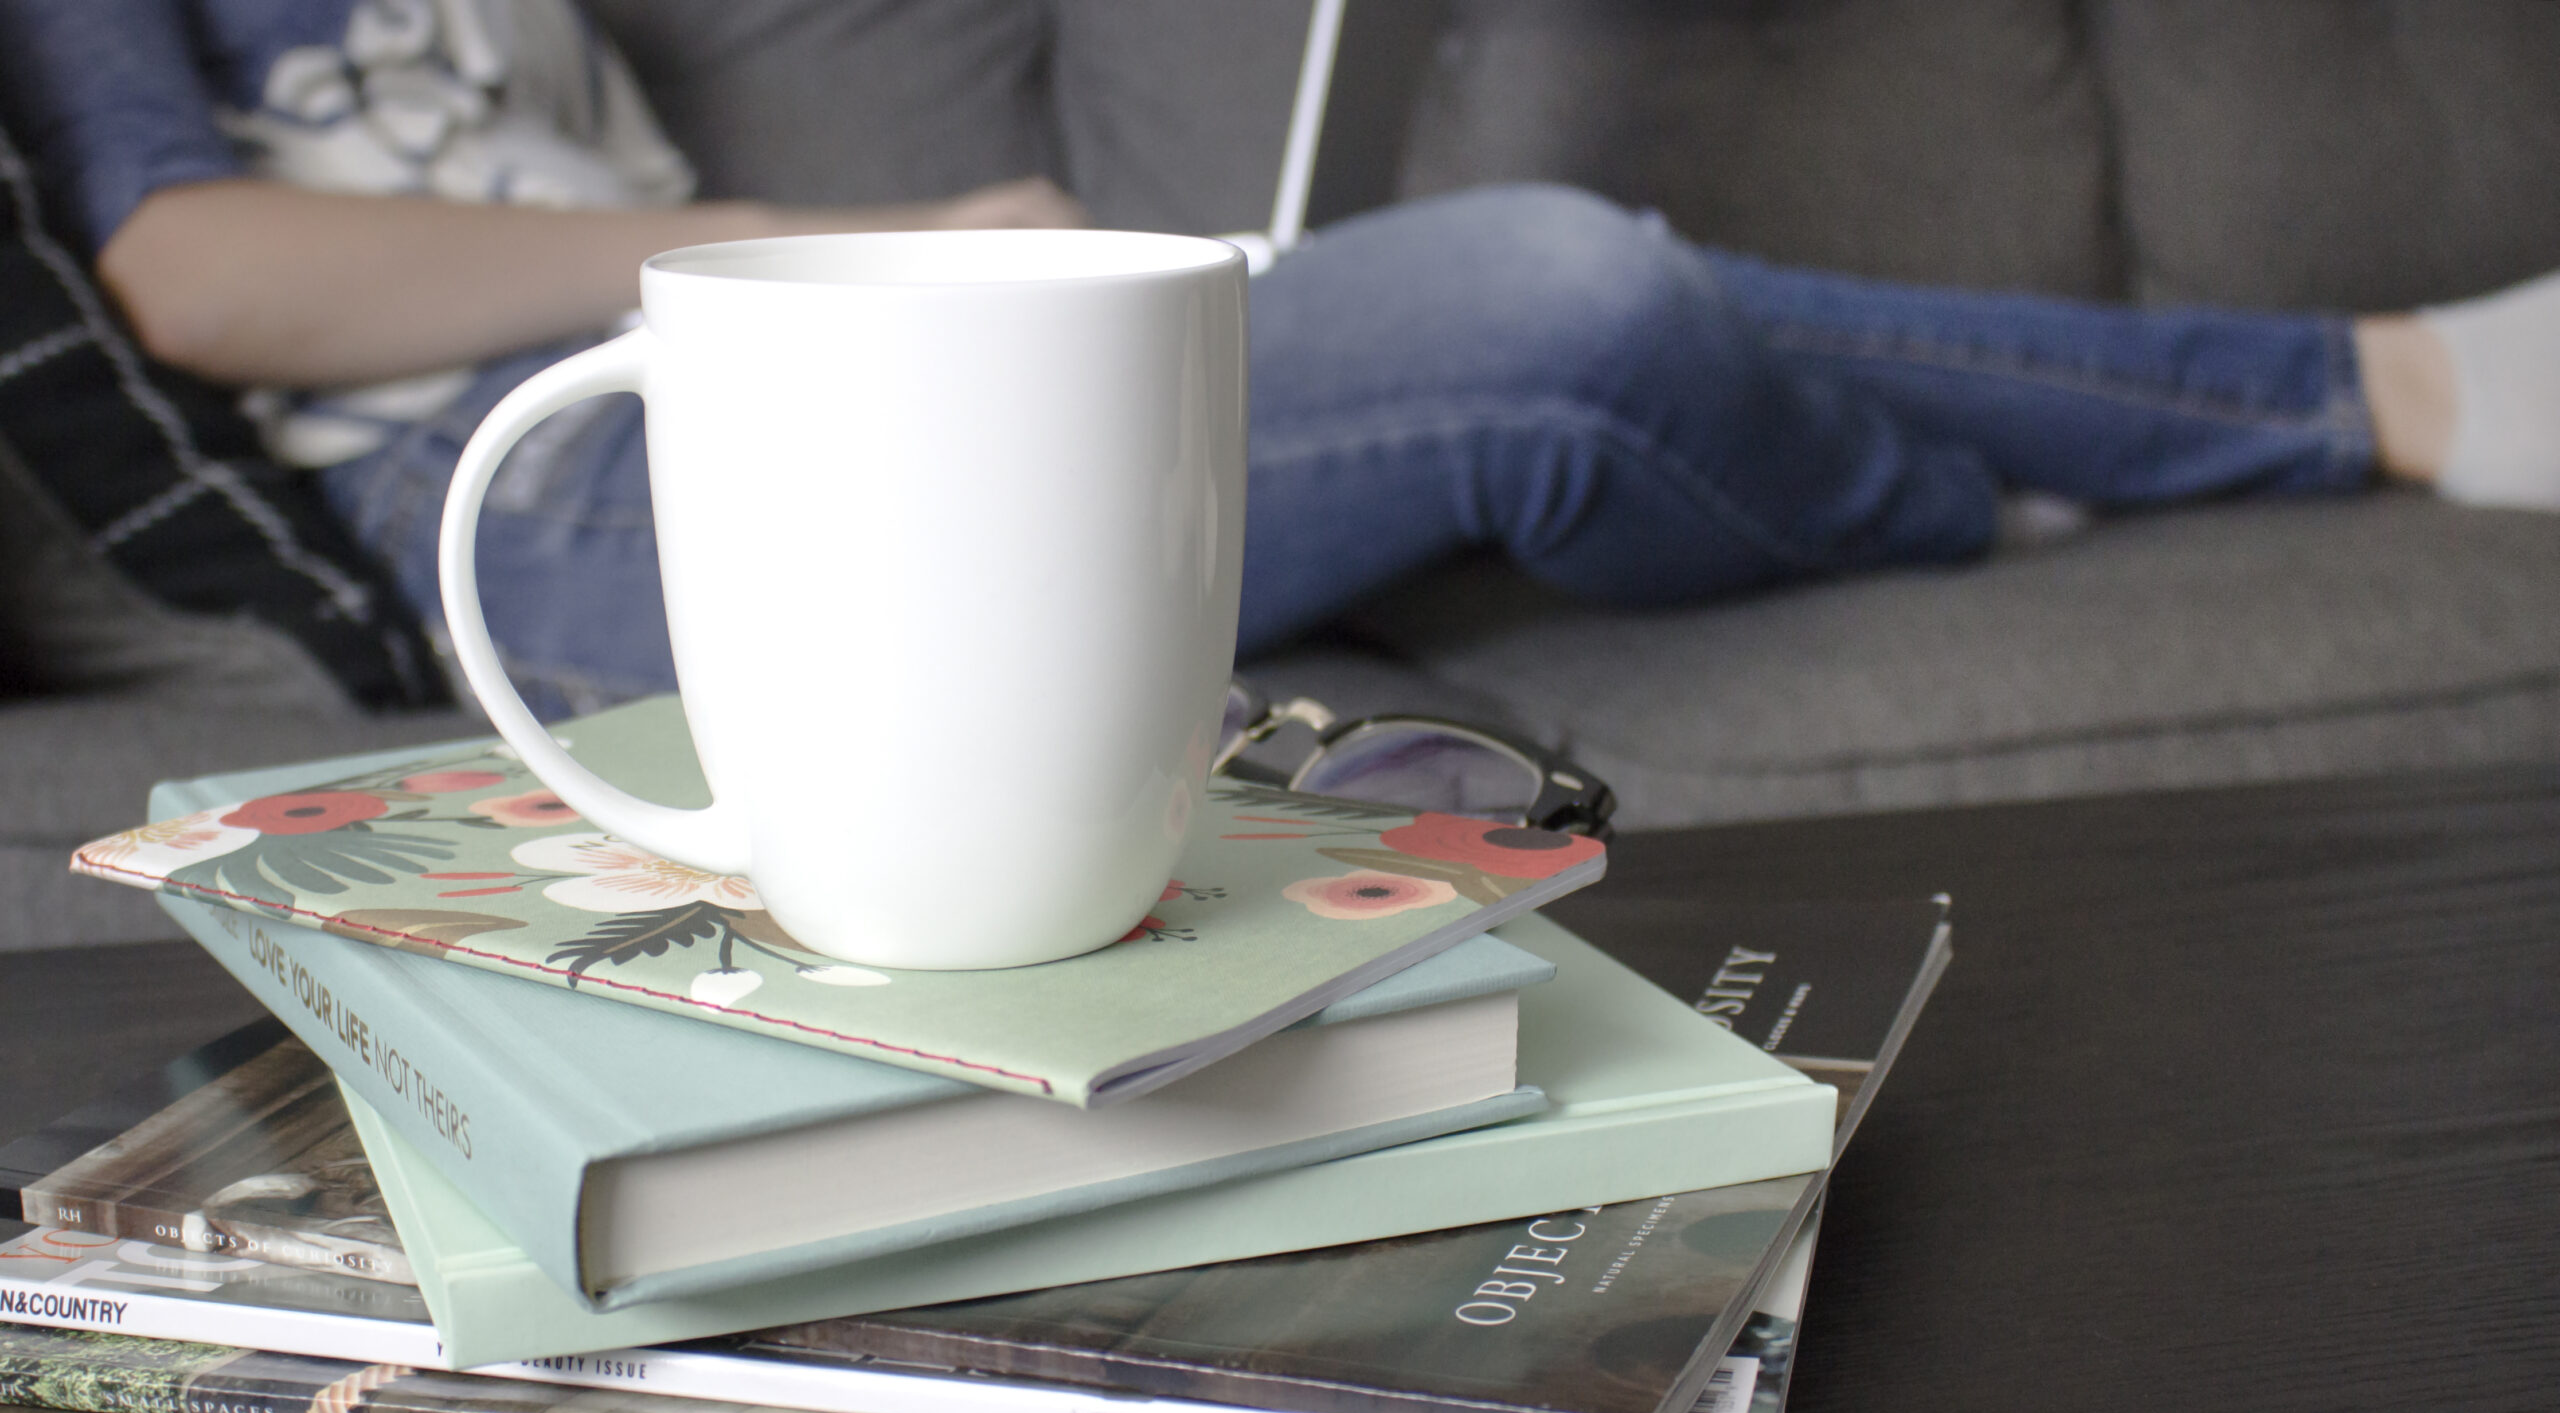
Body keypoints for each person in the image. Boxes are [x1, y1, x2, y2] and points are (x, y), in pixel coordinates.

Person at [7, 0, 2556, 718]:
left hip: (780, 389)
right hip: (555, 496)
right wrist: (837, 241)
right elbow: (196, 278)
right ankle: (2069, 457)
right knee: (1557, 298)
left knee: (1557, 299)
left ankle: (2357, 391)